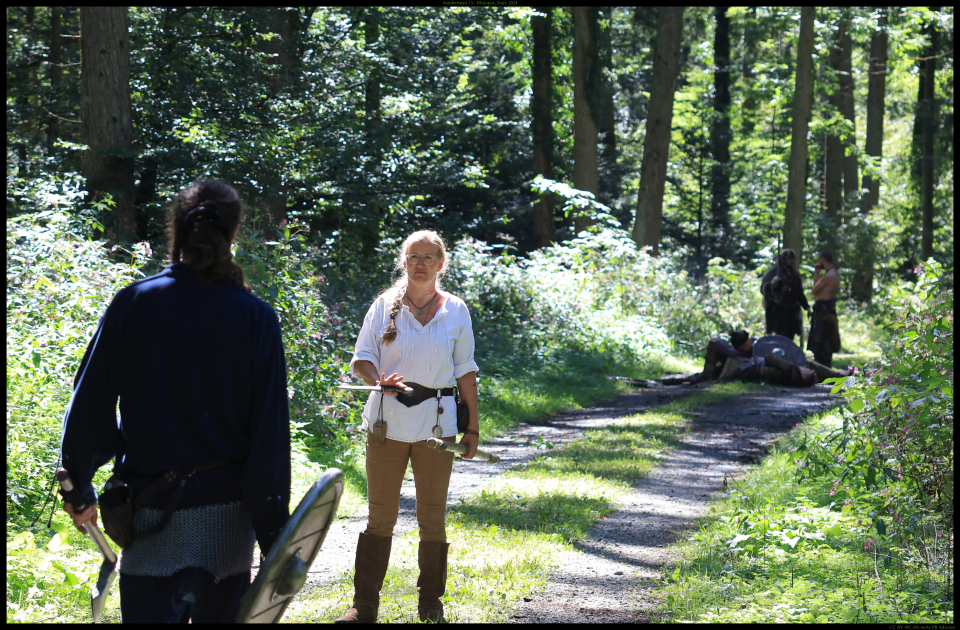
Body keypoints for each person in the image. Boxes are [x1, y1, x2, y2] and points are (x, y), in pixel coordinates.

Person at [60, 180, 291, 623]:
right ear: (235, 231)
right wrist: (275, 532)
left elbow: (90, 402)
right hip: (226, 522)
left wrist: (80, 482)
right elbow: (269, 436)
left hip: (151, 516)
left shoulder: (135, 303)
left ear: (176, 229)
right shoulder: (255, 316)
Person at [336, 230, 480, 624]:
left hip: (438, 425)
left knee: (432, 516)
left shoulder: (456, 310)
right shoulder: (384, 306)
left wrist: (473, 430)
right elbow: (361, 359)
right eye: (413, 256)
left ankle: (430, 603)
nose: (420, 264)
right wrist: (377, 379)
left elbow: (466, 372)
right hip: (387, 421)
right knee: (380, 517)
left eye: (428, 257)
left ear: (440, 264)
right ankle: (364, 606)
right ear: (404, 261)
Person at [663, 330, 850, 387]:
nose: (752, 341)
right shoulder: (736, 356)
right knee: (803, 366)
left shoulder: (750, 351)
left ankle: (840, 375)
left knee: (806, 363)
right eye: (748, 341)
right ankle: (839, 377)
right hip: (758, 368)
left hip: (760, 365)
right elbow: (715, 343)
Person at [760, 249, 810, 345]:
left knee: (789, 337)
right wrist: (772, 284)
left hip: (791, 311)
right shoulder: (774, 272)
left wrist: (807, 307)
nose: (790, 261)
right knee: (779, 337)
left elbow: (799, 293)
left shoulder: (794, 275)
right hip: (777, 311)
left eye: (791, 258)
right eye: (787, 258)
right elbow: (764, 288)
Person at [807, 250, 841, 367]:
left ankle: (822, 366)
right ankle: (823, 365)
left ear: (822, 259)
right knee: (826, 338)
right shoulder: (834, 274)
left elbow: (814, 290)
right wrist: (817, 273)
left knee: (821, 340)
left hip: (823, 311)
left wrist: (818, 274)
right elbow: (817, 288)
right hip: (829, 308)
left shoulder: (828, 276)